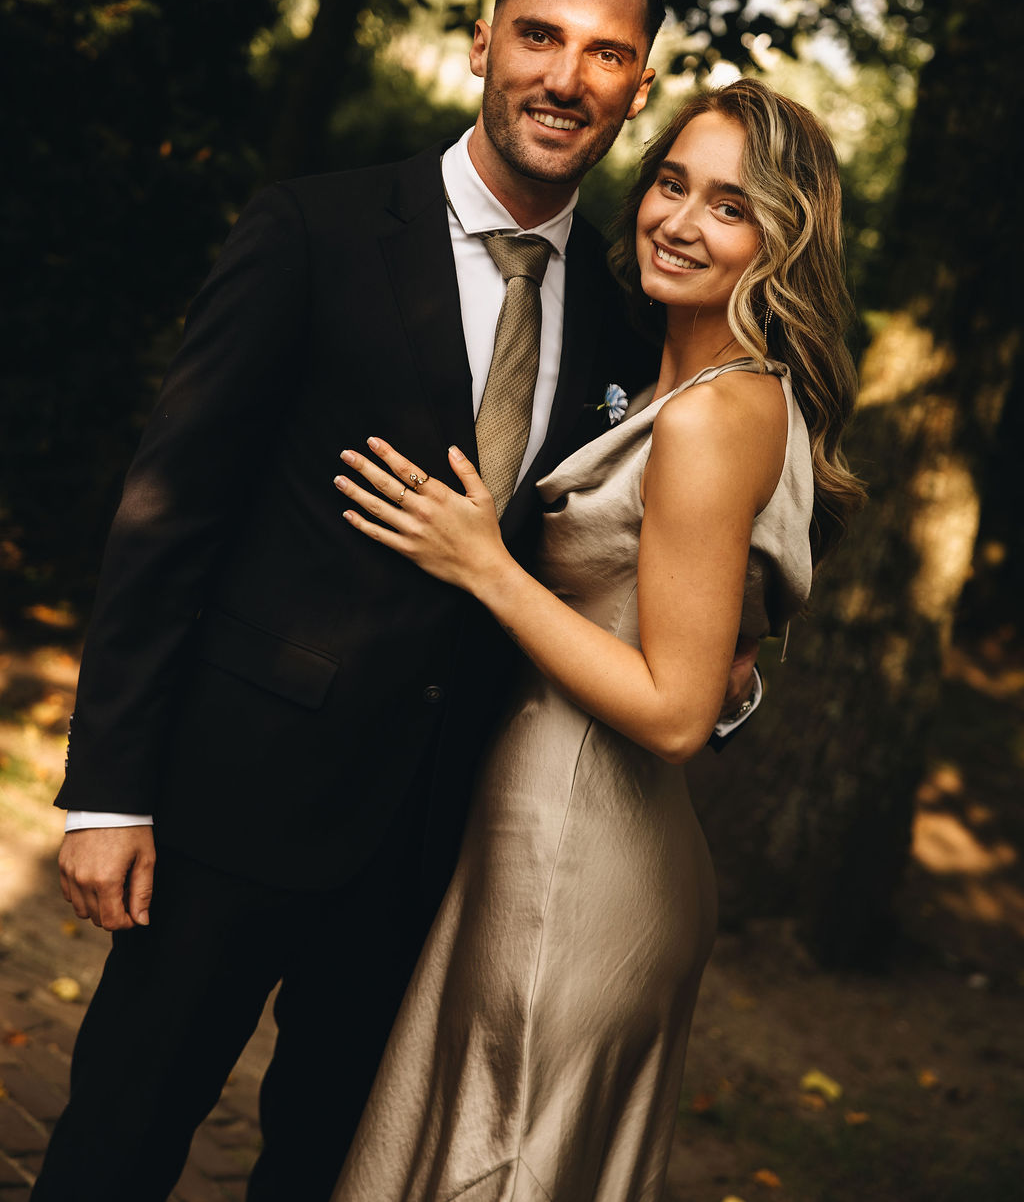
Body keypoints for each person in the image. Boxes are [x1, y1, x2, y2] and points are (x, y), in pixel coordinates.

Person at [33, 0, 759, 1202]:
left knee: (329, 1165)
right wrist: (107, 792)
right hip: (231, 800)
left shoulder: (621, 313)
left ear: (637, 86)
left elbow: (649, 550)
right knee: (117, 1141)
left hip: (440, 846)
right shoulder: (311, 230)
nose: (564, 77)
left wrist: (731, 666)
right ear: (483, 43)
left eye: (604, 54)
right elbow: (172, 511)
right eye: (538, 35)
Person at [329, 78, 865, 1201]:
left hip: (577, 857)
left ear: (783, 239)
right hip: (559, 832)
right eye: (671, 182)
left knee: (497, 1161)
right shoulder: (685, 379)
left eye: (730, 205)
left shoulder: (715, 413)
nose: (680, 220)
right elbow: (709, 656)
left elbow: (673, 712)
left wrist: (486, 565)